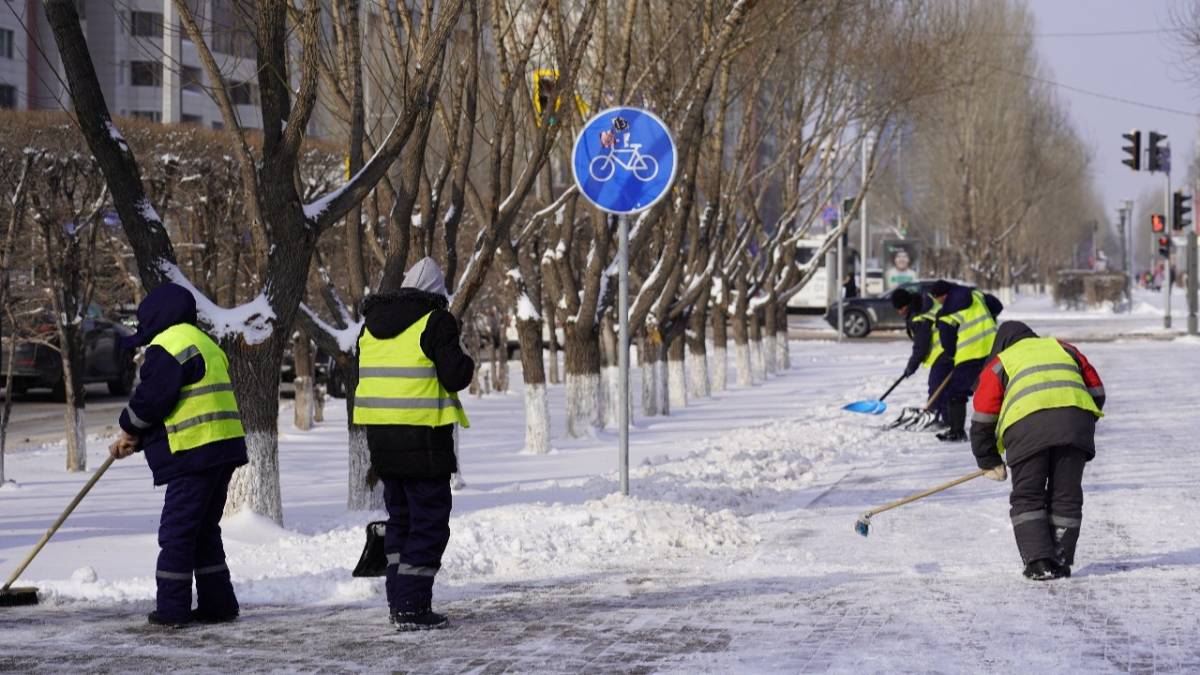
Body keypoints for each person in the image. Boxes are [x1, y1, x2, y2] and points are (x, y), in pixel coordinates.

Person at [108, 283, 248, 627]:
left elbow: (153, 400)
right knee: (202, 531)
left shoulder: (169, 346)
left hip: (195, 453)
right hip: (223, 449)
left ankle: (172, 611)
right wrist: (138, 439)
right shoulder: (204, 343)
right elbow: (184, 403)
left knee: (177, 533)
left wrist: (130, 427)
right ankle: (219, 604)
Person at [355, 257, 474, 631]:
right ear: (437, 295)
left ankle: (399, 601)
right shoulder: (436, 321)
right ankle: (411, 606)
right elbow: (455, 376)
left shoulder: (369, 328)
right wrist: (465, 358)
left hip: (382, 441)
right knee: (428, 523)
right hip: (423, 441)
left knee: (401, 521)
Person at [968, 321, 1104, 581]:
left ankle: (1039, 561)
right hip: (1075, 425)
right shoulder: (1064, 349)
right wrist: (1073, 423)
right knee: (1066, 494)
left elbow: (983, 418)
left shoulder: (1001, 362)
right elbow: (1096, 391)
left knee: (1028, 495)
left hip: (1026, 431)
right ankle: (1061, 559)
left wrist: (988, 459)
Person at [931, 280, 1003, 442]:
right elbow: (997, 305)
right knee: (997, 389)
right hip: (993, 349)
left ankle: (957, 431)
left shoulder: (946, 315)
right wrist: (989, 319)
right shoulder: (975, 294)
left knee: (955, 393)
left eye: (936, 298)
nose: (937, 302)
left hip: (970, 355)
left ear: (943, 296)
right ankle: (1006, 427)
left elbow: (948, 344)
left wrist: (952, 356)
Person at [891, 287, 950, 427]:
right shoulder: (922, 305)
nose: (899, 312)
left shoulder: (921, 317)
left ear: (905, 305)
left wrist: (911, 366)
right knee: (942, 386)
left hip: (944, 351)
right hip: (948, 348)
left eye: (899, 308)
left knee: (936, 385)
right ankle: (945, 418)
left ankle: (937, 417)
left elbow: (920, 347)